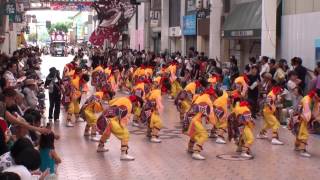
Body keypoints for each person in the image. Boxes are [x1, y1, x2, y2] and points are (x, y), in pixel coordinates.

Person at [96, 96, 139, 161]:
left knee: (106, 134)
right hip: (112, 119)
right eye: (135, 104)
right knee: (125, 134)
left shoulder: (121, 98)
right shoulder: (129, 104)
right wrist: (122, 126)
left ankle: (100, 147)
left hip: (104, 116)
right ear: (134, 102)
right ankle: (123, 154)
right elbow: (123, 119)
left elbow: (110, 102)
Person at [185, 87, 216, 160]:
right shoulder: (208, 100)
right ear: (211, 95)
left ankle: (190, 147)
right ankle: (196, 152)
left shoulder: (200, 97)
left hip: (191, 118)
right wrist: (214, 124)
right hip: (196, 119)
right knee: (204, 135)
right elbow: (211, 114)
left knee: (195, 133)